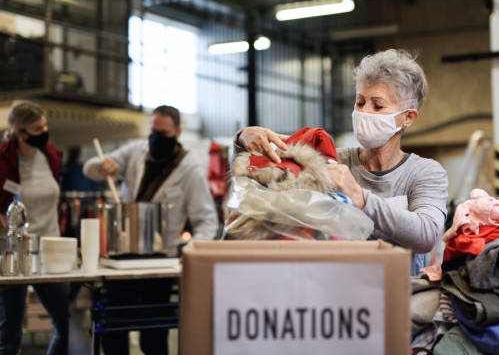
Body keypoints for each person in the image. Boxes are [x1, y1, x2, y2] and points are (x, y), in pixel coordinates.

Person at [236, 49, 448, 274]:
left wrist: (360, 197)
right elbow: (260, 187)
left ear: (407, 117)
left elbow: (426, 235)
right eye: (360, 102)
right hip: (333, 295)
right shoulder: (331, 160)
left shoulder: (425, 172)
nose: (365, 112)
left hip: (396, 295)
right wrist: (243, 139)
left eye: (378, 106)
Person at [83, 105, 218, 355]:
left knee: (154, 337)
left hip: (161, 261)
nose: (156, 138)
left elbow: (207, 220)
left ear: (177, 132)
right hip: (123, 256)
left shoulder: (190, 169)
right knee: (114, 331)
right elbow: (90, 168)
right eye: (153, 131)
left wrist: (191, 251)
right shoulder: (136, 151)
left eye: (163, 133)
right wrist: (105, 164)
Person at [0, 101, 70, 355]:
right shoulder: (3, 159)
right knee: (10, 332)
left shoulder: (50, 154)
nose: (44, 131)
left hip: (49, 247)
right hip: (13, 251)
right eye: (37, 128)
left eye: (45, 126)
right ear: (20, 132)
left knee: (64, 324)